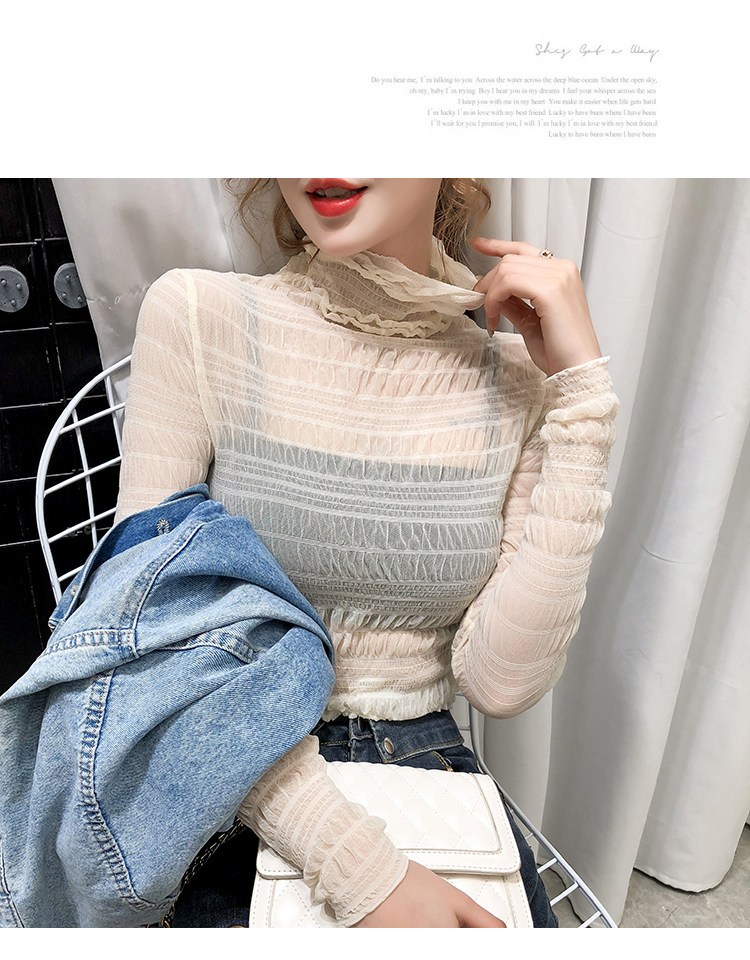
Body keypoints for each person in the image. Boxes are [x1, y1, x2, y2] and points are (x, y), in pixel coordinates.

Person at [114, 178, 619, 928]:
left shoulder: (513, 376)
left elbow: (500, 682)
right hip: (235, 778)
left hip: (431, 776)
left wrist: (581, 400)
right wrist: (362, 872)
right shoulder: (200, 315)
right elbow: (147, 640)